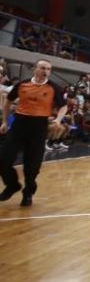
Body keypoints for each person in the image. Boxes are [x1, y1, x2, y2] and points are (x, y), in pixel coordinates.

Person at [0, 59, 67, 207]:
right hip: (19, 125)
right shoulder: (22, 84)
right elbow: (8, 101)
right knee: (3, 160)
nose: (45, 71)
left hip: (39, 127)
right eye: (43, 68)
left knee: (32, 167)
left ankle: (28, 193)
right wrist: (4, 121)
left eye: (48, 69)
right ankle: (12, 185)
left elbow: (63, 106)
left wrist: (58, 119)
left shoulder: (54, 87)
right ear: (35, 69)